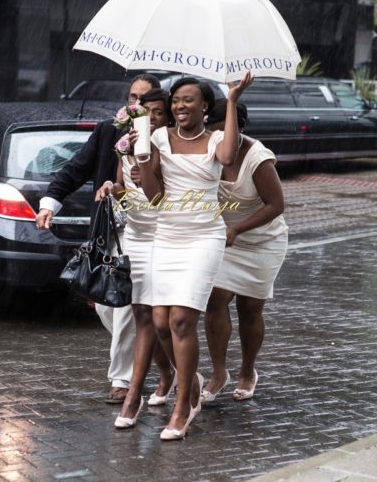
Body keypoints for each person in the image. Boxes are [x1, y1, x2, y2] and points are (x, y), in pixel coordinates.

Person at [134, 73, 253, 440]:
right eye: (176, 101)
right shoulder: (155, 137)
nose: (180, 106)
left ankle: (183, 405)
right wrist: (140, 159)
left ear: (204, 107)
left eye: (188, 100)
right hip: (167, 234)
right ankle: (193, 381)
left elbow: (229, 156)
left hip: (204, 236)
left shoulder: (217, 139)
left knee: (182, 319)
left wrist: (232, 99)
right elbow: (155, 197)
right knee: (159, 321)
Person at [35, 73, 161, 404]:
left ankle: (122, 378)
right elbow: (75, 170)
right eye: (132, 97)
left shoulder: (169, 138)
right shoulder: (110, 130)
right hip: (111, 231)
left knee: (124, 308)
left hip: (153, 232)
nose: (136, 104)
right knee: (109, 306)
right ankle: (166, 364)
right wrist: (49, 204)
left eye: (144, 99)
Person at [95, 89, 177, 428]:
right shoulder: (125, 147)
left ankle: (170, 377)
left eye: (159, 112)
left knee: (162, 318)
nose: (152, 118)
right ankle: (144, 379)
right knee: (134, 311)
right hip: (135, 235)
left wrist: (150, 176)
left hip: (167, 234)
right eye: (146, 113)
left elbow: (166, 195)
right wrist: (112, 189)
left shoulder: (172, 148)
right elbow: (122, 184)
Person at [201, 99, 288, 404]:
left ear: (240, 127)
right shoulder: (207, 149)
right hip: (224, 241)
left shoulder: (257, 157)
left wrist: (237, 229)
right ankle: (218, 372)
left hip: (263, 241)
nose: (217, 135)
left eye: (224, 128)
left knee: (250, 309)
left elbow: (276, 205)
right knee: (215, 299)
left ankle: (248, 370)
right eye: (212, 128)